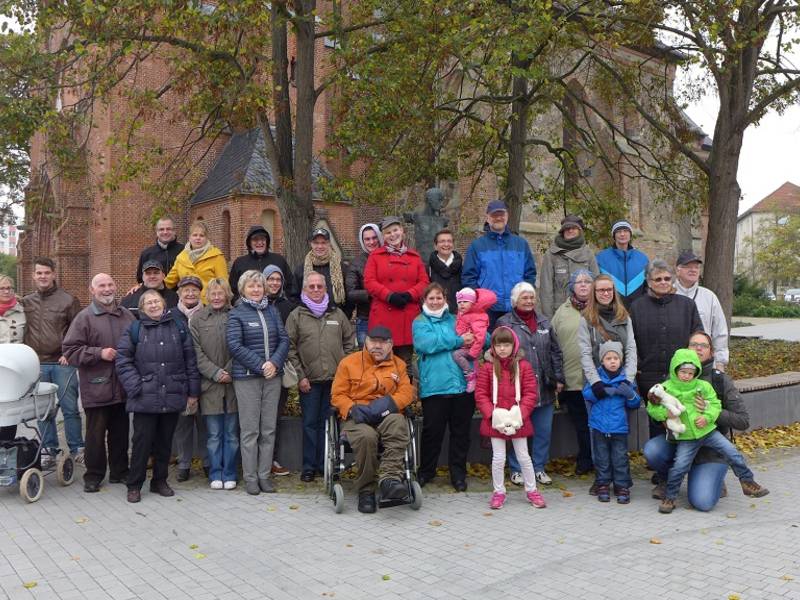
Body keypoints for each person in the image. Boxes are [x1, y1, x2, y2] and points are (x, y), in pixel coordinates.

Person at [644, 332, 764, 511]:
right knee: (670, 460)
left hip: (708, 438)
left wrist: (708, 414)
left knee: (704, 500)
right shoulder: (668, 385)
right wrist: (664, 414)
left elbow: (741, 420)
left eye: (704, 345)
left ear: (711, 352)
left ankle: (745, 481)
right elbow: (653, 410)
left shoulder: (714, 382)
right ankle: (669, 494)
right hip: (685, 438)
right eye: (694, 344)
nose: (699, 348)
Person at [115, 290, 201, 503]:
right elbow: (123, 361)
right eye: (148, 303)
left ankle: (160, 481)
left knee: (165, 442)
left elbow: (190, 360)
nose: (153, 305)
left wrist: (192, 391)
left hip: (172, 394)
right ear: (143, 308)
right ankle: (134, 484)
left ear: (164, 304)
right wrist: (137, 386)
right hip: (145, 397)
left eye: (156, 301)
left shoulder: (178, 327)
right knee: (142, 443)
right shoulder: (135, 329)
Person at [62, 273, 135, 492]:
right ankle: (93, 476)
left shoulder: (127, 316)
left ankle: (120, 472)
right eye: (101, 285)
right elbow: (70, 351)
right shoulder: (84, 317)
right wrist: (99, 353)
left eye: (110, 284)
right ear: (92, 290)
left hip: (122, 385)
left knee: (120, 433)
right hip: (97, 386)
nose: (107, 289)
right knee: (95, 435)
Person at [330, 325, 414, 514]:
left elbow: (407, 392)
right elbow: (337, 395)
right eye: (373, 341)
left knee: (398, 424)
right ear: (365, 342)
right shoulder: (348, 363)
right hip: (357, 416)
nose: (378, 346)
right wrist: (351, 409)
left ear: (391, 345)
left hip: (386, 413)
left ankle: (389, 480)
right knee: (367, 437)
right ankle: (366, 490)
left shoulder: (399, 365)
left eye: (383, 342)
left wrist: (389, 404)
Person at [285, 272, 354, 482]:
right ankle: (308, 466)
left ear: (326, 289)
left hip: (335, 381)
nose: (315, 290)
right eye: (311, 287)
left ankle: (327, 464)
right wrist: (301, 376)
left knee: (329, 423)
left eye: (319, 286)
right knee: (310, 424)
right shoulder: (297, 315)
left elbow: (349, 343)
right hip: (310, 381)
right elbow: (289, 348)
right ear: (305, 289)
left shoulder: (337, 314)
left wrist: (346, 374)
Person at [227, 270, 289, 495]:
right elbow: (234, 345)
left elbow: (284, 339)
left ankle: (264, 476)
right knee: (250, 430)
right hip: (247, 378)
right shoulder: (237, 313)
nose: (256, 290)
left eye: (259, 286)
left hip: (273, 377)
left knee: (268, 429)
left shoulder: (272, 311)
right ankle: (250, 477)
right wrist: (261, 365)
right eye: (251, 286)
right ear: (243, 289)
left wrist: (274, 362)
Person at [497, 282, 564, 486]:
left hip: (544, 386)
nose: (529, 301)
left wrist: (559, 377)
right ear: (515, 300)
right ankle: (517, 469)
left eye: (532, 297)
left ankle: (539, 468)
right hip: (517, 388)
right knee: (517, 429)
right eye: (525, 297)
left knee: (543, 430)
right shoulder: (505, 322)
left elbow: (555, 351)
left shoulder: (544, 321)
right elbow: (498, 352)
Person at [629, 260, 703, 438]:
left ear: (673, 280)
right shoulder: (637, 307)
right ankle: (660, 461)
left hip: (681, 375)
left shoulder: (687, 305)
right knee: (657, 421)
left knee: (683, 418)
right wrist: (637, 364)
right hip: (649, 376)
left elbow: (697, 338)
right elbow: (630, 340)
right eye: (658, 279)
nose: (663, 282)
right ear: (649, 281)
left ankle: (683, 460)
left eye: (667, 278)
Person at [412, 283, 475, 492]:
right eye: (431, 298)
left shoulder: (457, 319)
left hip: (461, 386)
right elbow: (426, 344)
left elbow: (478, 337)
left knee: (461, 434)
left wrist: (477, 337)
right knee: (432, 433)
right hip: (435, 388)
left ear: (445, 299)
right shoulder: (419, 322)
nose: (435, 301)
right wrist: (458, 340)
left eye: (439, 298)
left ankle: (458, 474)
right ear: (424, 300)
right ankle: (426, 472)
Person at [475, 326, 546, 509]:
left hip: (518, 418)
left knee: (523, 456)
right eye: (498, 345)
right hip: (496, 419)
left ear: (513, 345)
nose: (502, 349)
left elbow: (531, 393)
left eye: (506, 345)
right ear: (493, 347)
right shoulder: (488, 368)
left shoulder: (523, 366)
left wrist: (520, 414)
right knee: (498, 457)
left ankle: (532, 490)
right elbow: (481, 394)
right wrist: (491, 414)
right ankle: (499, 492)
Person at [22, 257, 83, 467]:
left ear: (54, 274)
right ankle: (49, 450)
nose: (43, 276)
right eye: (39, 273)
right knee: (43, 411)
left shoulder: (68, 300)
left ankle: (77, 449)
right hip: (36, 365)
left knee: (70, 409)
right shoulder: (26, 302)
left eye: (46, 272)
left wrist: (71, 353)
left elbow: (79, 329)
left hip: (62, 363)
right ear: (34, 275)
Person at [190, 278, 239, 490]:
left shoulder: (236, 315)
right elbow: (196, 352)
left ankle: (230, 473)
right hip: (210, 385)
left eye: (221, 293)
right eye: (213, 294)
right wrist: (215, 373)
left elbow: (241, 345)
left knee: (231, 434)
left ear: (227, 294)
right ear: (207, 296)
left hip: (233, 385)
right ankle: (215, 473)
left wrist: (229, 370)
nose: (217, 297)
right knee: (213, 435)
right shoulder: (198, 319)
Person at [364, 216, 429, 367]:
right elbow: (369, 281)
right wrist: (389, 295)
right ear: (384, 236)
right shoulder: (376, 256)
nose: (392, 235)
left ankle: (405, 390)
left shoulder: (414, 257)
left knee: (405, 364)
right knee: (381, 362)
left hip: (407, 314)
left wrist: (409, 294)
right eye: (388, 232)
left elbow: (424, 282)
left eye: (395, 230)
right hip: (383, 314)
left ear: (402, 231)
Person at [462, 199, 537, 328]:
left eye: (501, 214)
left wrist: (524, 297)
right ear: (487, 218)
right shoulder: (477, 246)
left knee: (517, 345)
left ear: (507, 216)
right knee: (489, 345)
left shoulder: (520, 244)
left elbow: (530, 273)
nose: (498, 218)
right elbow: (468, 277)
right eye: (494, 215)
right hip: (488, 309)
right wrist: (480, 300)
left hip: (516, 308)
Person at [581, 341, 641, 504]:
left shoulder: (626, 379)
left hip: (619, 427)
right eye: (608, 358)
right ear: (602, 361)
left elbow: (635, 403)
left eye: (616, 358)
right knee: (602, 458)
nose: (612, 361)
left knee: (620, 458)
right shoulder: (596, 377)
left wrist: (630, 395)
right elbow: (586, 394)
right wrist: (599, 392)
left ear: (621, 360)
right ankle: (603, 484)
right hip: (599, 426)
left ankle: (622, 486)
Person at [551, 270, 595, 475]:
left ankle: (600, 461)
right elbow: (553, 344)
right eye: (579, 282)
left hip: (597, 379)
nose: (584, 285)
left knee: (598, 422)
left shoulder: (601, 308)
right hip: (573, 379)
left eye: (588, 281)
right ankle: (585, 459)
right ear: (572, 286)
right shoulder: (562, 312)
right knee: (580, 424)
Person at [172, 276, 209, 481]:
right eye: (186, 290)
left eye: (194, 290)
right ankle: (184, 463)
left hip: (205, 376)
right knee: (183, 424)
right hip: (181, 378)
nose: (190, 293)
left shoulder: (207, 314)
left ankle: (207, 462)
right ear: (179, 292)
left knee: (205, 423)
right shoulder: (171, 315)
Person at [262, 264, 296, 476]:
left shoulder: (288, 306)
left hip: (279, 367)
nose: (274, 283)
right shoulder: (255, 304)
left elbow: (290, 338)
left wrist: (276, 361)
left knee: (273, 417)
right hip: (255, 368)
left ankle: (270, 460)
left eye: (278, 279)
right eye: (270, 279)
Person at [674, 250, 729, 370]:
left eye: (696, 267)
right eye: (688, 266)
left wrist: (720, 362)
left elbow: (720, 332)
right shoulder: (668, 295)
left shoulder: (709, 297)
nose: (693, 270)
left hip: (703, 363)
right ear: (678, 270)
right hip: (675, 363)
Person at [538, 215, 599, 318]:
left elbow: (596, 284)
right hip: (559, 313)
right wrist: (548, 318)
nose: (570, 230)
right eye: (567, 228)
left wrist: (595, 312)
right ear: (562, 232)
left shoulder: (588, 254)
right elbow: (546, 288)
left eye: (574, 228)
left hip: (585, 313)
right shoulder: (551, 255)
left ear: (580, 231)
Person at [164, 220, 228, 304]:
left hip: (209, 304)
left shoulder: (216, 256)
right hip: (186, 302)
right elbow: (169, 282)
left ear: (206, 238)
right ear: (190, 237)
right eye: (195, 235)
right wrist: (149, 287)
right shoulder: (181, 257)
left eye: (202, 235)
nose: (198, 238)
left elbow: (223, 284)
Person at [229, 225, 292, 304]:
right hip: (247, 309)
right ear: (249, 243)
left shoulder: (279, 260)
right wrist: (240, 303)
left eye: (262, 239)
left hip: (276, 307)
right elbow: (233, 289)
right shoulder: (239, 263)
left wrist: (285, 304)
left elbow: (290, 285)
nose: (259, 242)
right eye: (255, 239)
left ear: (267, 241)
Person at [595, 219, 650, 309]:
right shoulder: (601, 258)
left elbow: (647, 286)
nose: (622, 234)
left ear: (630, 234)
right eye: (618, 231)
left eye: (625, 231)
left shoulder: (642, 258)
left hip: (637, 310)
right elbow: (595, 284)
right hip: (610, 309)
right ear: (614, 235)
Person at [292, 227, 349, 312]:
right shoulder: (301, 269)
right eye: (316, 243)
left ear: (329, 243)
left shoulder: (342, 268)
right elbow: (294, 296)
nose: (320, 246)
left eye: (323, 243)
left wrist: (343, 315)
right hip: (309, 319)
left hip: (336, 319)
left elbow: (348, 296)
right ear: (311, 244)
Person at [452, 287, 497, 393]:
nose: (462, 304)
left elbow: (480, 337)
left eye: (465, 302)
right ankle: (476, 375)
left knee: (456, 355)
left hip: (471, 348)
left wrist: (473, 352)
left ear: (473, 303)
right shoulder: (462, 313)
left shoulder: (477, 316)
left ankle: (470, 375)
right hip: (464, 344)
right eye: (460, 302)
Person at [346, 223, 383, 346]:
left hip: (388, 314)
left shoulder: (388, 257)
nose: (371, 242)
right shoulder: (356, 263)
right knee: (366, 357)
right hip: (366, 317)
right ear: (362, 241)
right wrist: (374, 293)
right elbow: (350, 293)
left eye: (374, 237)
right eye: (367, 239)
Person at [0, 275, 26, 442]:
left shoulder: (23, 311)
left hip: (14, 371)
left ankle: (7, 452)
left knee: (10, 414)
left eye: (9, 288)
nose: (6, 291)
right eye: (2, 288)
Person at [135, 216, 183, 284]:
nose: (165, 232)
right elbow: (140, 279)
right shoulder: (147, 254)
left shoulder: (184, 251)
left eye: (168, 229)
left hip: (179, 294)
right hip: (155, 293)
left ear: (174, 231)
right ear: (157, 232)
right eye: (161, 229)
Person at [426, 229, 462, 313]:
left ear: (453, 244)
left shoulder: (462, 268)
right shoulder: (428, 269)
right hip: (435, 314)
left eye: (449, 241)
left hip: (458, 314)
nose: (446, 244)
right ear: (435, 245)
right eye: (442, 241)